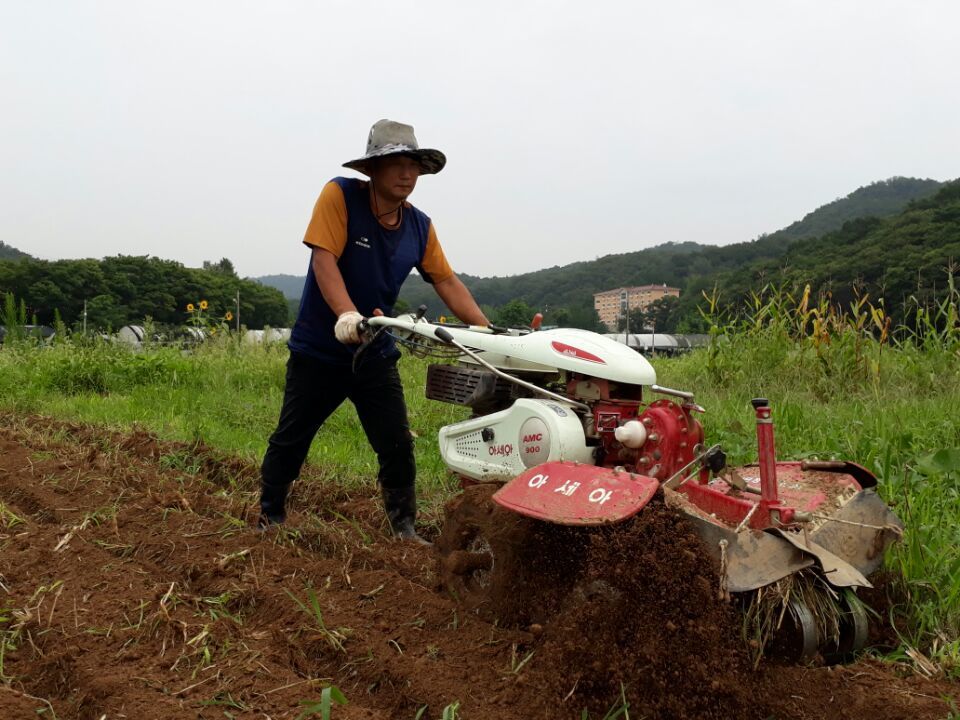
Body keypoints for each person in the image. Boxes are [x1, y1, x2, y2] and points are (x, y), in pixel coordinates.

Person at [258, 119, 488, 543]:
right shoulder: (340, 196)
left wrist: (486, 332)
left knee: (396, 441)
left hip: (375, 352)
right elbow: (323, 260)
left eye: (414, 165)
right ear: (372, 170)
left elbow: (446, 281)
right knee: (293, 437)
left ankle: (404, 527)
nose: (406, 174)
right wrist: (345, 314)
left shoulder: (419, 225)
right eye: (396, 164)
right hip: (320, 350)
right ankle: (270, 516)